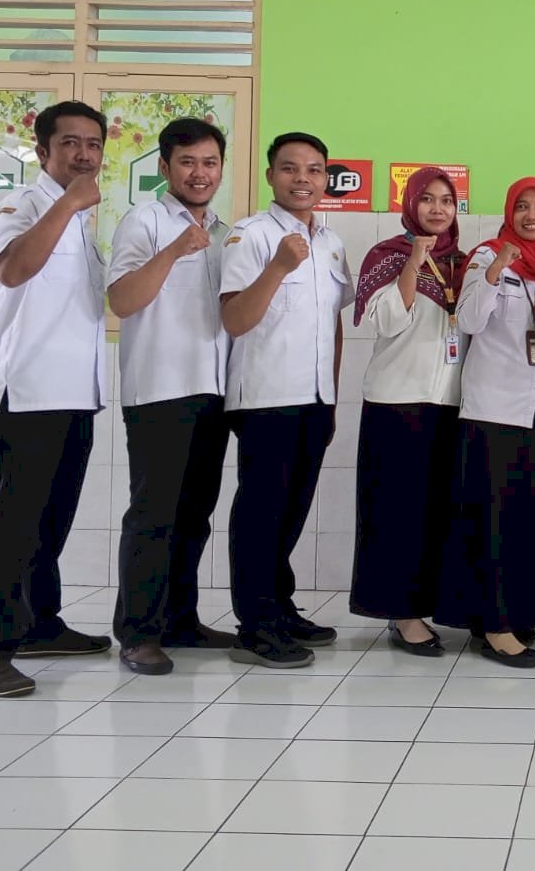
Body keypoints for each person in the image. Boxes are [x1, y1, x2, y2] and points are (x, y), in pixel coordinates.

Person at [0, 101, 112, 697]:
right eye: (70, 143)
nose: (83, 154)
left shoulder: (84, 220)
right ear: (43, 149)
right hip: (23, 395)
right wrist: (68, 203)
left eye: (93, 144)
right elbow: (13, 270)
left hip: (73, 394)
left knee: (49, 522)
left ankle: (40, 624)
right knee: (7, 529)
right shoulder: (22, 205)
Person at [220, 131, 355, 668]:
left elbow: (332, 322)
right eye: (290, 168)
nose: (303, 179)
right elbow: (234, 319)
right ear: (271, 175)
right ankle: (255, 626)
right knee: (261, 511)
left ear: (326, 178)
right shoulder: (250, 235)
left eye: (314, 170)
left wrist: (332, 395)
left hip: (314, 397)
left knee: (293, 508)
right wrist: (277, 266)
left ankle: (279, 607)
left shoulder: (331, 241)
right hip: (266, 397)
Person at [106, 118, 234, 675]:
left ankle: (180, 619)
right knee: (153, 515)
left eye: (209, 162)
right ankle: (138, 633)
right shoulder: (145, 221)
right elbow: (121, 300)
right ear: (164, 167)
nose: (199, 173)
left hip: (213, 390)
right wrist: (176, 249)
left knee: (194, 513)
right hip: (159, 390)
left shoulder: (227, 232)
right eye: (187, 162)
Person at [434, 177, 535, 668]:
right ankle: (494, 624)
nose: (532, 215)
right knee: (492, 522)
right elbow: (468, 321)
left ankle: (514, 612)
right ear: (510, 212)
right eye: (523, 206)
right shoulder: (486, 256)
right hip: (492, 409)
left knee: (527, 522)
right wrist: (496, 271)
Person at [348, 167, 469, 656]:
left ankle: (431, 602)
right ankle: (403, 614)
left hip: (451, 405)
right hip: (397, 404)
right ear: (411, 203)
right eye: (428, 199)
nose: (438, 209)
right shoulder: (389, 255)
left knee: (437, 513)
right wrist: (414, 263)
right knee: (397, 514)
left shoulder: (462, 262)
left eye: (447, 201)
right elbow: (386, 320)